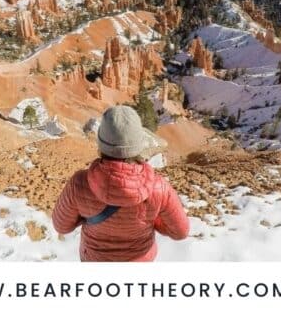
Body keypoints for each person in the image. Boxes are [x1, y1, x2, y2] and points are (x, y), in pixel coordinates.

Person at [52, 105, 190, 262]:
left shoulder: (79, 183)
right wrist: (151, 221)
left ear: (101, 143)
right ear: (139, 143)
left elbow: (61, 226)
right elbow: (181, 232)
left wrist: (86, 216)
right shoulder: (159, 188)